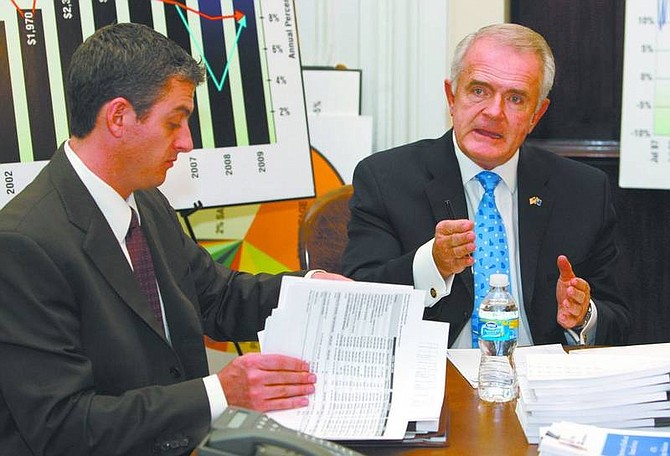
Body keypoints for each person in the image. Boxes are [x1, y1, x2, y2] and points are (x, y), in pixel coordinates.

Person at [0, 23, 347, 455]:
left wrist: (309, 289)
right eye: (175, 122)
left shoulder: (146, 201)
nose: (187, 143)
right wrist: (220, 394)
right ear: (119, 117)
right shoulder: (22, 244)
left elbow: (216, 299)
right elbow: (64, 426)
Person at [342, 23, 631, 348]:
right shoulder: (386, 178)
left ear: (537, 114)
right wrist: (432, 265)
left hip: (539, 379)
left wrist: (583, 315)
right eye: (479, 90)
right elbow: (357, 300)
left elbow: (619, 317)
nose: (494, 112)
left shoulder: (584, 191)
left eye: (516, 99)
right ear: (452, 97)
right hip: (436, 377)